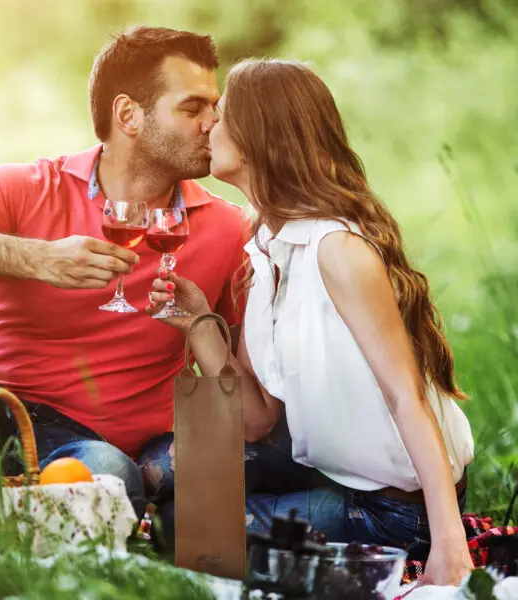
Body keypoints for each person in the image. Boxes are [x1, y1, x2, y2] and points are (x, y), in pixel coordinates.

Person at [146, 58, 475, 585]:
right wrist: (199, 325)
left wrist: (450, 543)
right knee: (165, 465)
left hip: (395, 508)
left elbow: (404, 397)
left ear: (261, 137)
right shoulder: (264, 249)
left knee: (183, 527)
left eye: (223, 114)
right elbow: (255, 419)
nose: (208, 124)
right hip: (335, 475)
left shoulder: (337, 250)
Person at [0, 26, 248, 519]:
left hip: (137, 448)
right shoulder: (30, 187)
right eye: (192, 107)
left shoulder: (227, 227)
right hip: (12, 422)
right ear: (128, 115)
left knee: (124, 472)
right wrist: (39, 259)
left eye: (214, 107)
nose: (212, 123)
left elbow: (239, 378)